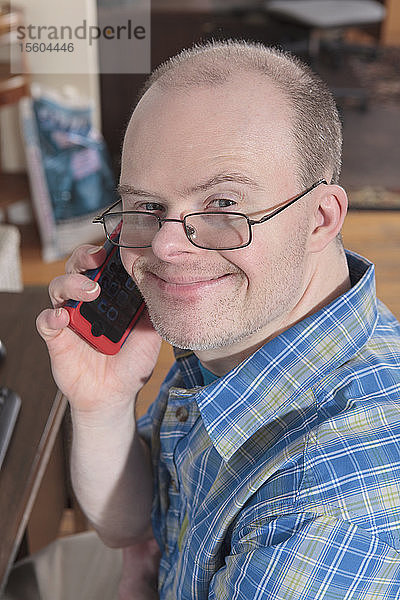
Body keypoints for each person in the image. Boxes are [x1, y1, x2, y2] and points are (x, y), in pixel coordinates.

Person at [36, 40, 400, 599]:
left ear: (321, 217)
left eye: (224, 205)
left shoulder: (329, 518)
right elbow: (133, 525)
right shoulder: (252, 333)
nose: (165, 246)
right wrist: (103, 402)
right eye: (146, 206)